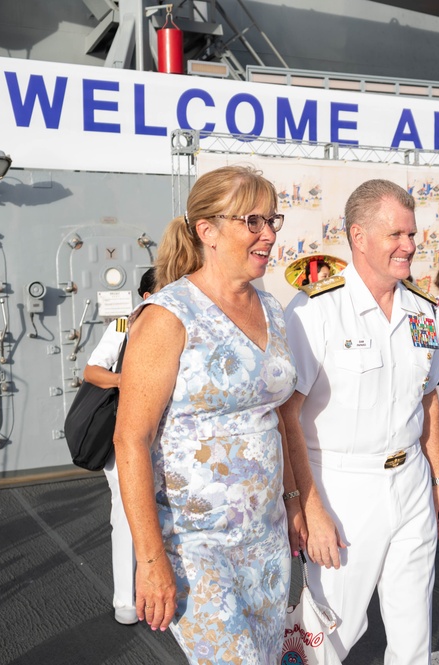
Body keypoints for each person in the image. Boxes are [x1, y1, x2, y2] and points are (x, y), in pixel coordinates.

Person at [113, 166, 300, 662]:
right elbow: (130, 440)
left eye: (273, 220)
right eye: (253, 221)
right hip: (197, 547)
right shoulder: (169, 316)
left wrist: (298, 500)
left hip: (266, 539)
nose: (269, 234)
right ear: (207, 230)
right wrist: (151, 561)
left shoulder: (273, 309)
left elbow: (280, 417)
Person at [281, 179, 439, 663]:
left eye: (413, 234)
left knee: (413, 627)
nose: (410, 246)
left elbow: (428, 398)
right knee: (330, 632)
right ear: (358, 236)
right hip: (341, 489)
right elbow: (286, 415)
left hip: (412, 483)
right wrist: (307, 508)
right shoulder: (315, 310)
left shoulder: (422, 310)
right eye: (396, 235)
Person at [82, 267, 157, 626]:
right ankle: (125, 599)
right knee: (128, 511)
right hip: (126, 433)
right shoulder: (124, 327)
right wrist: (129, 380)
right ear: (146, 298)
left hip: (170, 435)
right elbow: (92, 371)